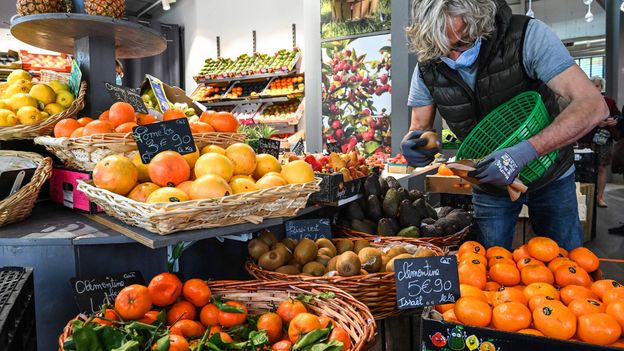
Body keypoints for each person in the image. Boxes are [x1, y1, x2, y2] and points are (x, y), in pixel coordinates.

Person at [402, 0, 608, 250]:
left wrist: (525, 151)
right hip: (490, 182)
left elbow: (593, 105)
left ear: (481, 22)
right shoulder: (427, 65)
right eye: (441, 47)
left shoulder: (526, 37)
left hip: (550, 173)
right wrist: (418, 144)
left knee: (565, 262)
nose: (453, 56)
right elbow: (421, 128)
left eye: (462, 43)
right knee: (488, 266)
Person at [578, 76, 620, 207]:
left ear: (601, 87)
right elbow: (578, 120)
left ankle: (599, 197)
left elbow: (617, 115)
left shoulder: (609, 102)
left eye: (597, 85)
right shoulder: (582, 102)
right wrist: (596, 122)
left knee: (601, 168)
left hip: (604, 140)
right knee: (585, 168)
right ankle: (585, 196)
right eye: (592, 85)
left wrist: (613, 120)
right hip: (586, 139)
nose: (595, 88)